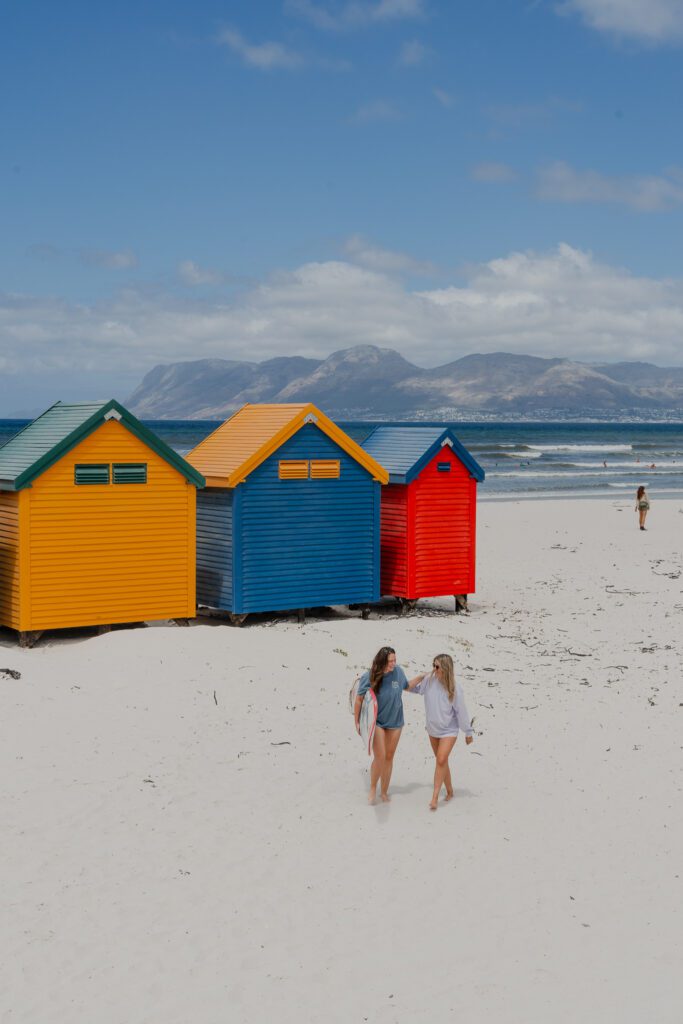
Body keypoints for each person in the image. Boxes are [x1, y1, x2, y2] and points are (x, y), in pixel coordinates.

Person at [407, 653, 474, 811]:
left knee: (441, 759)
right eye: (433, 665)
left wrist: (468, 732)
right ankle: (450, 791)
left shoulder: (455, 688)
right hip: (432, 730)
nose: (434, 669)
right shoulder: (429, 681)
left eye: (436, 666)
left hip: (449, 730)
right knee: (441, 761)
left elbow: (461, 712)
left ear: (445, 668)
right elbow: (409, 688)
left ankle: (435, 797)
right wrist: (421, 676)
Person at [354, 646, 410, 804]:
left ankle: (384, 791)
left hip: (396, 721)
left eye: (394, 660)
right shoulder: (370, 676)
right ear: (382, 661)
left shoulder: (398, 672)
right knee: (380, 756)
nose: (393, 663)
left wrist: (423, 679)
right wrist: (357, 722)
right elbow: (359, 699)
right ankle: (373, 787)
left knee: (389, 756)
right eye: (390, 661)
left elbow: (406, 686)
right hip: (377, 721)